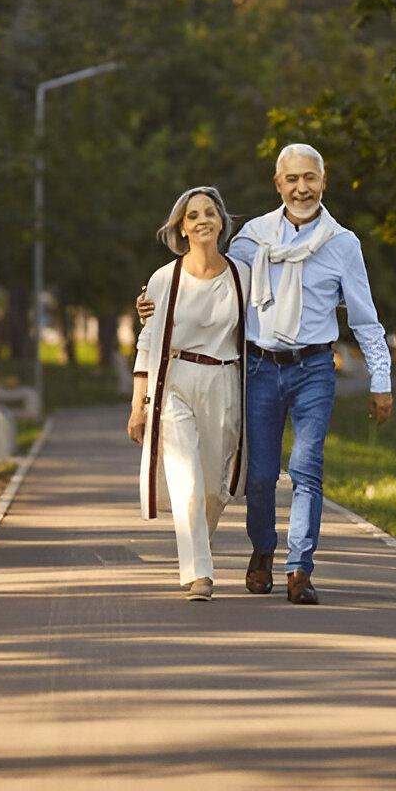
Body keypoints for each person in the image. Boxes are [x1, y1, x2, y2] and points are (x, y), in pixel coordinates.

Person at [139, 144, 393, 605]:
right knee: (260, 475)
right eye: (291, 179)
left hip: (315, 366)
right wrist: (153, 306)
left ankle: (300, 568)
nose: (302, 188)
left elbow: (364, 318)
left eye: (309, 178)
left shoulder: (343, 244)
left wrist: (381, 381)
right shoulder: (253, 239)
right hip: (258, 366)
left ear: (323, 180)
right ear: (278, 184)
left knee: (307, 467)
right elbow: (216, 288)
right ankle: (263, 550)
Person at [128, 186, 250, 602]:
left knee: (215, 488)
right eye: (193, 215)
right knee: (187, 479)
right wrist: (137, 405)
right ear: (181, 226)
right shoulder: (165, 279)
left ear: (221, 221)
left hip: (224, 381)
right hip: (175, 380)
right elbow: (147, 341)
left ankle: (200, 547)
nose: (202, 221)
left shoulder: (241, 275)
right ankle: (199, 573)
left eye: (209, 213)